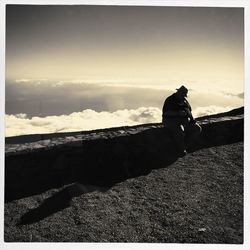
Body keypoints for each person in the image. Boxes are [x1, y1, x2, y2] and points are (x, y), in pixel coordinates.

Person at [162, 85, 202, 157]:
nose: (184, 96)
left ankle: (185, 145)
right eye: (183, 94)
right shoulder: (170, 100)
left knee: (197, 128)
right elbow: (166, 113)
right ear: (179, 93)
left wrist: (192, 120)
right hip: (170, 121)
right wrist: (178, 113)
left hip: (183, 121)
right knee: (179, 131)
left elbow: (188, 110)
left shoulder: (184, 100)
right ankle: (181, 150)